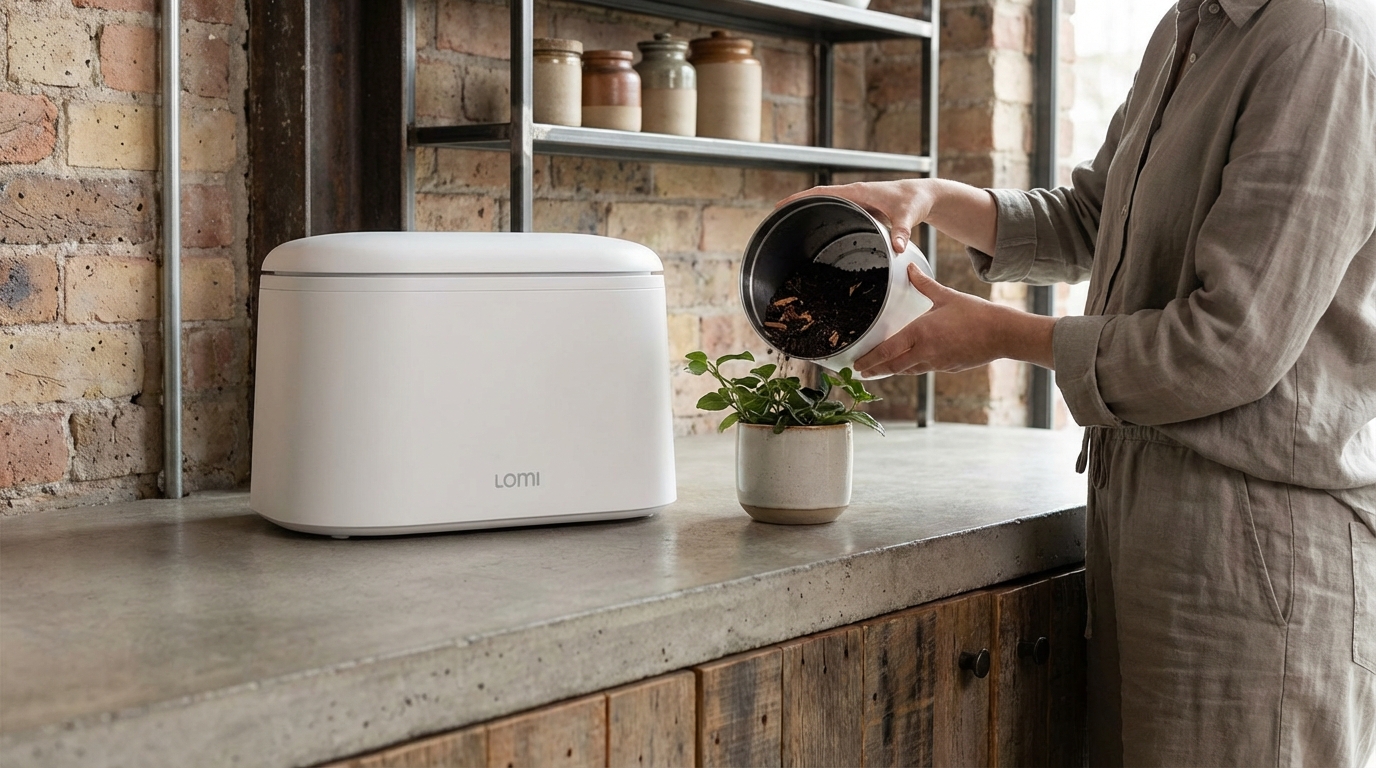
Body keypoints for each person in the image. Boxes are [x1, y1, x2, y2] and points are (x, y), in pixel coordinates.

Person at [782, 0, 1376, 764]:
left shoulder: (1319, 45)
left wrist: (999, 335)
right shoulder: (1187, 28)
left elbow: (1227, 345)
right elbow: (1095, 218)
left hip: (1258, 559)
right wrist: (931, 198)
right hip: (1146, 529)